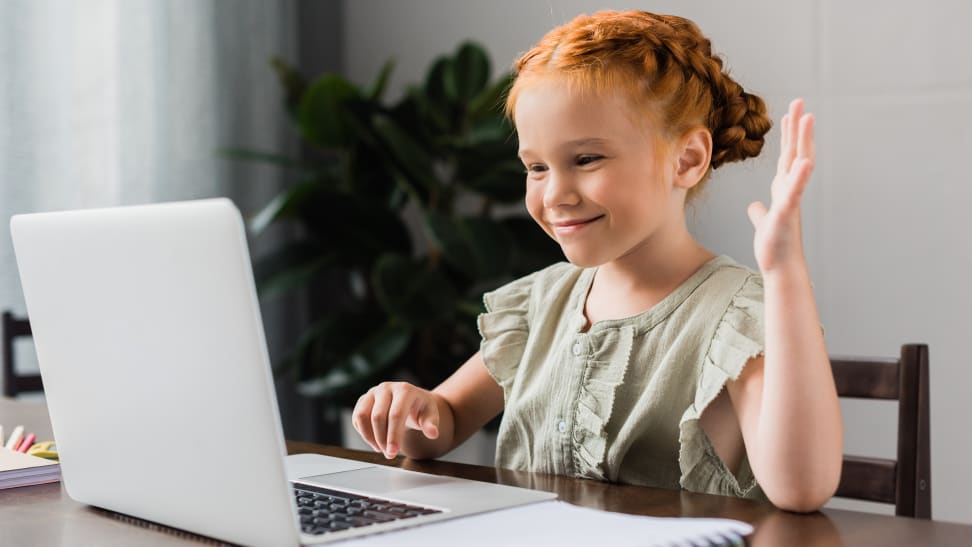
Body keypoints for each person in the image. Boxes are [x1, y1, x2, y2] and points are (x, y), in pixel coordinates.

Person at [352, 10, 842, 512]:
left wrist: (784, 275)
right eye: (537, 167)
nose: (556, 194)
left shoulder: (736, 316)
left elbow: (801, 489)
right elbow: (443, 424)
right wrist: (410, 410)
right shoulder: (538, 303)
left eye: (586, 160)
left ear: (688, 159)